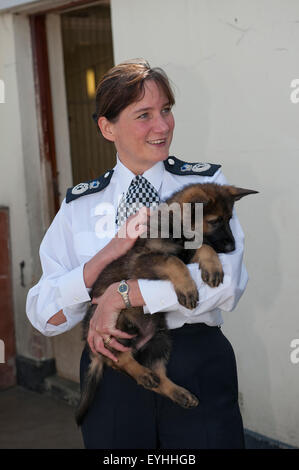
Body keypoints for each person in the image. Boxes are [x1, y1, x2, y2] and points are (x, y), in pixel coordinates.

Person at [26, 59, 248, 449]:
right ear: (107, 127)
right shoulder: (81, 205)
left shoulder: (201, 187)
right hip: (113, 373)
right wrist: (102, 261)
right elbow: (45, 315)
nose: (162, 126)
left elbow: (225, 284)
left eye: (166, 111)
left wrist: (126, 294)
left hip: (194, 359)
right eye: (144, 115)